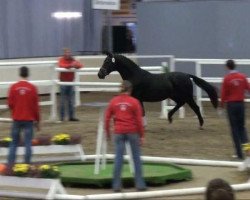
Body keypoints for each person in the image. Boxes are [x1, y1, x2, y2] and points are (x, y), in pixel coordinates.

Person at [104, 80, 147, 192]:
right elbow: (139, 120)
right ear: (130, 90)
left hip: (118, 132)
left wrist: (107, 132)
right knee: (136, 158)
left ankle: (116, 185)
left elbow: (107, 118)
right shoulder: (134, 102)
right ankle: (140, 184)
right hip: (132, 132)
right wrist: (142, 135)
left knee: (118, 158)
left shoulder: (113, 101)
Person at [7, 66, 40, 166]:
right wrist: (38, 120)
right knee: (28, 143)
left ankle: (10, 166)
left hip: (16, 119)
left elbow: (10, 104)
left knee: (13, 143)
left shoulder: (13, 87)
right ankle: (27, 165)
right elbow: (36, 107)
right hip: (28, 120)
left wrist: (15, 111)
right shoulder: (33, 88)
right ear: (28, 74)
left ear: (20, 74)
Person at [220, 59, 250, 159]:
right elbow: (248, 88)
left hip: (231, 105)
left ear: (227, 67)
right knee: (242, 128)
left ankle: (238, 153)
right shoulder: (242, 77)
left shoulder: (227, 78)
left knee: (234, 129)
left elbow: (224, 94)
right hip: (241, 104)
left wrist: (221, 105)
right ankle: (247, 150)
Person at [58, 48, 83, 121]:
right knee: (62, 101)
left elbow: (80, 65)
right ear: (64, 53)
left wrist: (75, 65)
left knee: (71, 101)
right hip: (63, 82)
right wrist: (71, 65)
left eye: (69, 52)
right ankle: (62, 118)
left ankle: (71, 117)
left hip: (71, 82)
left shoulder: (73, 59)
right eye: (66, 52)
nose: (68, 54)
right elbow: (61, 65)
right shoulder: (61, 59)